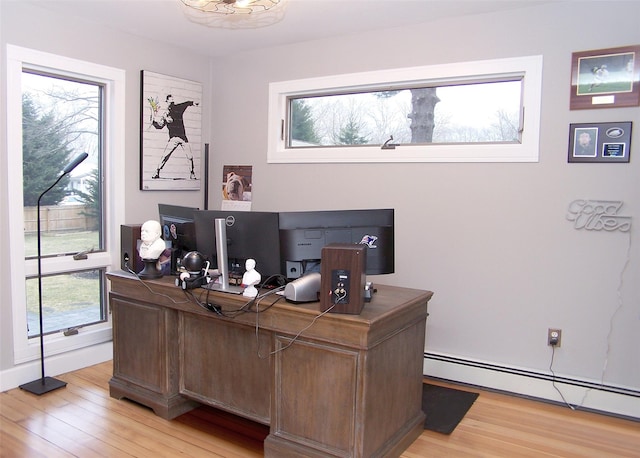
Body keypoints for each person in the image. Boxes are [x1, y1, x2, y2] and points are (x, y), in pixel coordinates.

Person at [151, 94, 199, 180]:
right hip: (173, 138)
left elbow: (186, 103)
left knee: (190, 156)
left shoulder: (177, 108)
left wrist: (193, 103)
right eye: (170, 100)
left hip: (183, 138)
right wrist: (154, 122)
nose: (172, 101)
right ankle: (157, 171)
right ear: (167, 102)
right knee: (165, 156)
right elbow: (160, 126)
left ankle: (192, 173)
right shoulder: (165, 115)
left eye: (172, 100)